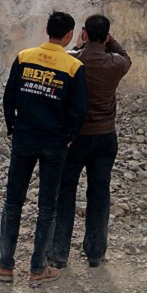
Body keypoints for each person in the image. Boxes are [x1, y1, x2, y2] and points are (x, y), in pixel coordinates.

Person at [0, 11, 89, 284]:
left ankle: (5, 265)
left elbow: (9, 98)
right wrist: (69, 136)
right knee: (47, 207)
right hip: (54, 143)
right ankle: (38, 269)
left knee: (13, 202)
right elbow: (79, 110)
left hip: (25, 139)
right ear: (69, 35)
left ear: (46, 30)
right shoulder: (73, 67)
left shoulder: (24, 57)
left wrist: (12, 128)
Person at [48, 14, 131, 269]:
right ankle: (95, 253)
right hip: (105, 137)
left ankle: (59, 253)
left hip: (75, 138)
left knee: (65, 192)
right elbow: (125, 55)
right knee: (99, 192)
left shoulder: (72, 60)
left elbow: (68, 58)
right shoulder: (116, 64)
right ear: (106, 36)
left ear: (83, 34)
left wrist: (83, 45)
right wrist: (107, 40)